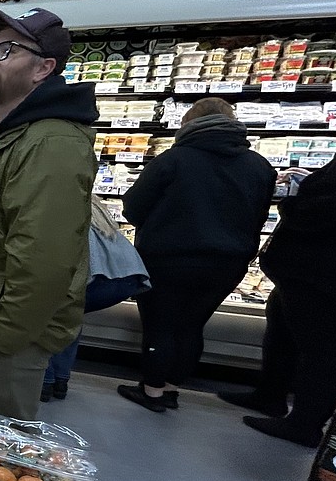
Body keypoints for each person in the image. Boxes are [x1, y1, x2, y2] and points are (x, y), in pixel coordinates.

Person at [0, 5, 98, 421]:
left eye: (6, 49)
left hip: (4, 336)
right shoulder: (7, 134)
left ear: (43, 68)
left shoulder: (52, 142)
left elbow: (45, 257)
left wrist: (3, 337)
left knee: (6, 458)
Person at [118, 97, 275, 412]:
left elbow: (133, 208)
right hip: (227, 264)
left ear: (189, 124)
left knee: (160, 325)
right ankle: (173, 389)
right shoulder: (259, 166)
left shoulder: (173, 160)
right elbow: (258, 219)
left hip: (168, 259)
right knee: (191, 326)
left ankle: (152, 393)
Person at [237, 155, 336, 446]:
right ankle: (270, 396)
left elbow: (323, 211)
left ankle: (304, 425)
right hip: (304, 273)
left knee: (322, 352)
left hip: (324, 277)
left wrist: (293, 199)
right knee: (282, 333)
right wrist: (308, 180)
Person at [42, 198, 151, 401]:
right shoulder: (88, 201)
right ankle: (60, 381)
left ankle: (44, 383)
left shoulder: (58, 205)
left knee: (46, 318)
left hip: (99, 278)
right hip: (126, 276)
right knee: (69, 318)